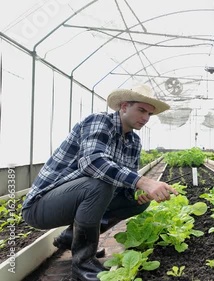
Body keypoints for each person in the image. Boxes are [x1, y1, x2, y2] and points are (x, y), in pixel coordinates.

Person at [22, 84, 178, 281]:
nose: (145, 118)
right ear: (123, 107)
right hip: (41, 205)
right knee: (99, 184)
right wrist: (143, 181)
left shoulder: (133, 142)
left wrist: (138, 193)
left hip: (74, 200)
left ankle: (72, 237)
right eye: (141, 110)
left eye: (149, 114)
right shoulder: (99, 122)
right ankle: (83, 264)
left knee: (135, 202)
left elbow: (124, 183)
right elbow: (92, 162)